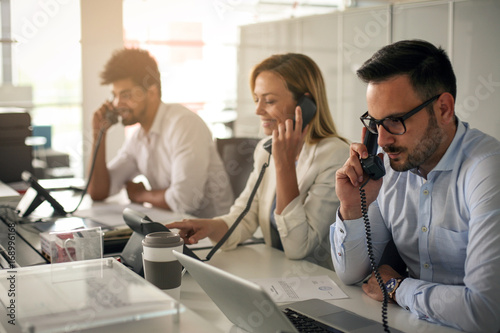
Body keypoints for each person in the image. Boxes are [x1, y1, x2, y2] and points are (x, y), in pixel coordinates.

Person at [330, 39, 500, 332]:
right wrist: (353, 207)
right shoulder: (392, 168)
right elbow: (351, 274)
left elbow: (485, 312)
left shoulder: (487, 170)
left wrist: (398, 288)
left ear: (444, 108)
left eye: (395, 121)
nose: (381, 140)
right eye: (376, 122)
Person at [166, 53, 350, 269]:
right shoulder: (266, 150)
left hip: (320, 282)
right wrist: (209, 226)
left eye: (269, 101)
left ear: (304, 104)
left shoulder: (335, 156)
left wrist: (284, 165)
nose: (258, 110)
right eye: (256, 99)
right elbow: (245, 216)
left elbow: (300, 247)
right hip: (279, 273)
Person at [87, 48, 233, 218]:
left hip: (212, 235)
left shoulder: (184, 125)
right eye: (115, 95)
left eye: (126, 95)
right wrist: (99, 135)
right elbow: (98, 192)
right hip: (175, 228)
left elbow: (183, 201)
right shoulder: (139, 138)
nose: (117, 104)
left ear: (152, 92)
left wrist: (141, 195)